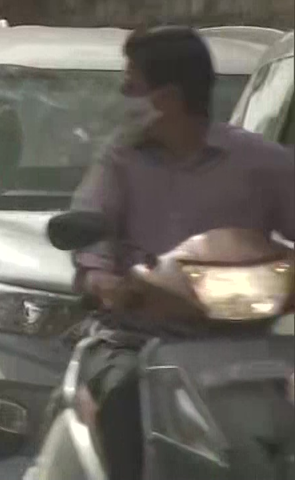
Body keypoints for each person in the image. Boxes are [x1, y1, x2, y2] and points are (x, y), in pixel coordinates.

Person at [69, 26, 295, 477]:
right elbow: (91, 236)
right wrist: (105, 282)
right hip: (137, 340)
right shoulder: (120, 160)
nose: (121, 95)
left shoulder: (262, 164)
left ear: (167, 97)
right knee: (123, 395)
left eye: (131, 85)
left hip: (247, 342)